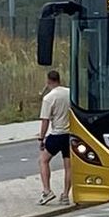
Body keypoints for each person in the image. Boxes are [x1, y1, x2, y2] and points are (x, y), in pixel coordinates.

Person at [37, 69, 72, 204]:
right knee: (68, 166)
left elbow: (45, 120)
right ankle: (65, 195)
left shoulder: (49, 98)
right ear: (59, 79)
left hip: (57, 134)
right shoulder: (70, 93)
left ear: (48, 81)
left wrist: (41, 138)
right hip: (70, 134)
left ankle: (47, 191)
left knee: (43, 161)